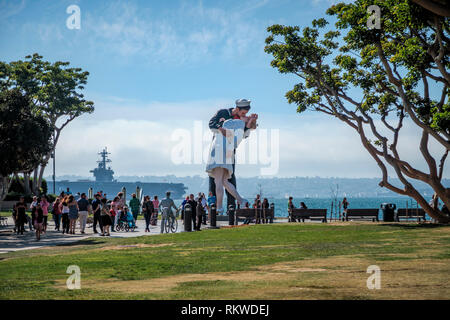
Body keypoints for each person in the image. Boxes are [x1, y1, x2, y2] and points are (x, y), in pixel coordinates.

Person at [206, 103, 257, 214]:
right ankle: (241, 200)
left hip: (219, 150)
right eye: (244, 114)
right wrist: (250, 121)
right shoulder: (237, 125)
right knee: (225, 181)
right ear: (237, 109)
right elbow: (240, 136)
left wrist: (224, 131)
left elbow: (245, 130)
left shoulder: (233, 123)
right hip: (228, 152)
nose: (245, 116)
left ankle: (219, 207)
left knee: (218, 181)